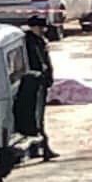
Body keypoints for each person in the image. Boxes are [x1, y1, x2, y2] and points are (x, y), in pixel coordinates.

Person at [16, 15, 58, 161]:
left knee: (38, 117)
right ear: (33, 27)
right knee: (36, 118)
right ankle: (43, 148)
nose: (43, 30)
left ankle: (38, 148)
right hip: (34, 84)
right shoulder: (29, 43)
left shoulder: (39, 41)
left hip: (40, 83)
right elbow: (38, 63)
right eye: (40, 27)